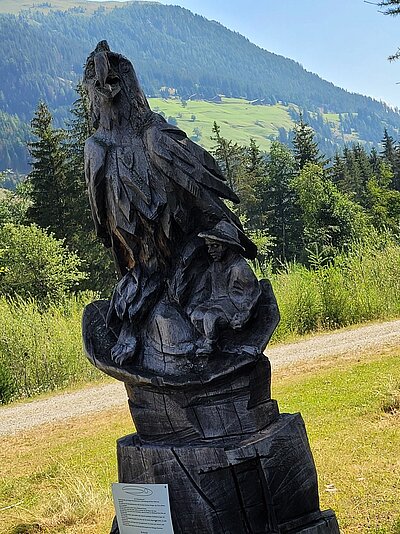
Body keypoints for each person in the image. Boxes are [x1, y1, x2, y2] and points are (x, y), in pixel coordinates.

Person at [188, 221, 261, 355]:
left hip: (233, 305)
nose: (210, 251)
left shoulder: (239, 268)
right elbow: (203, 289)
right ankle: (211, 340)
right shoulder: (214, 267)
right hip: (214, 301)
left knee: (211, 316)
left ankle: (210, 345)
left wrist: (245, 313)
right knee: (197, 315)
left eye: (215, 246)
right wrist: (194, 304)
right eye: (209, 246)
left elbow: (251, 293)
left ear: (228, 246)